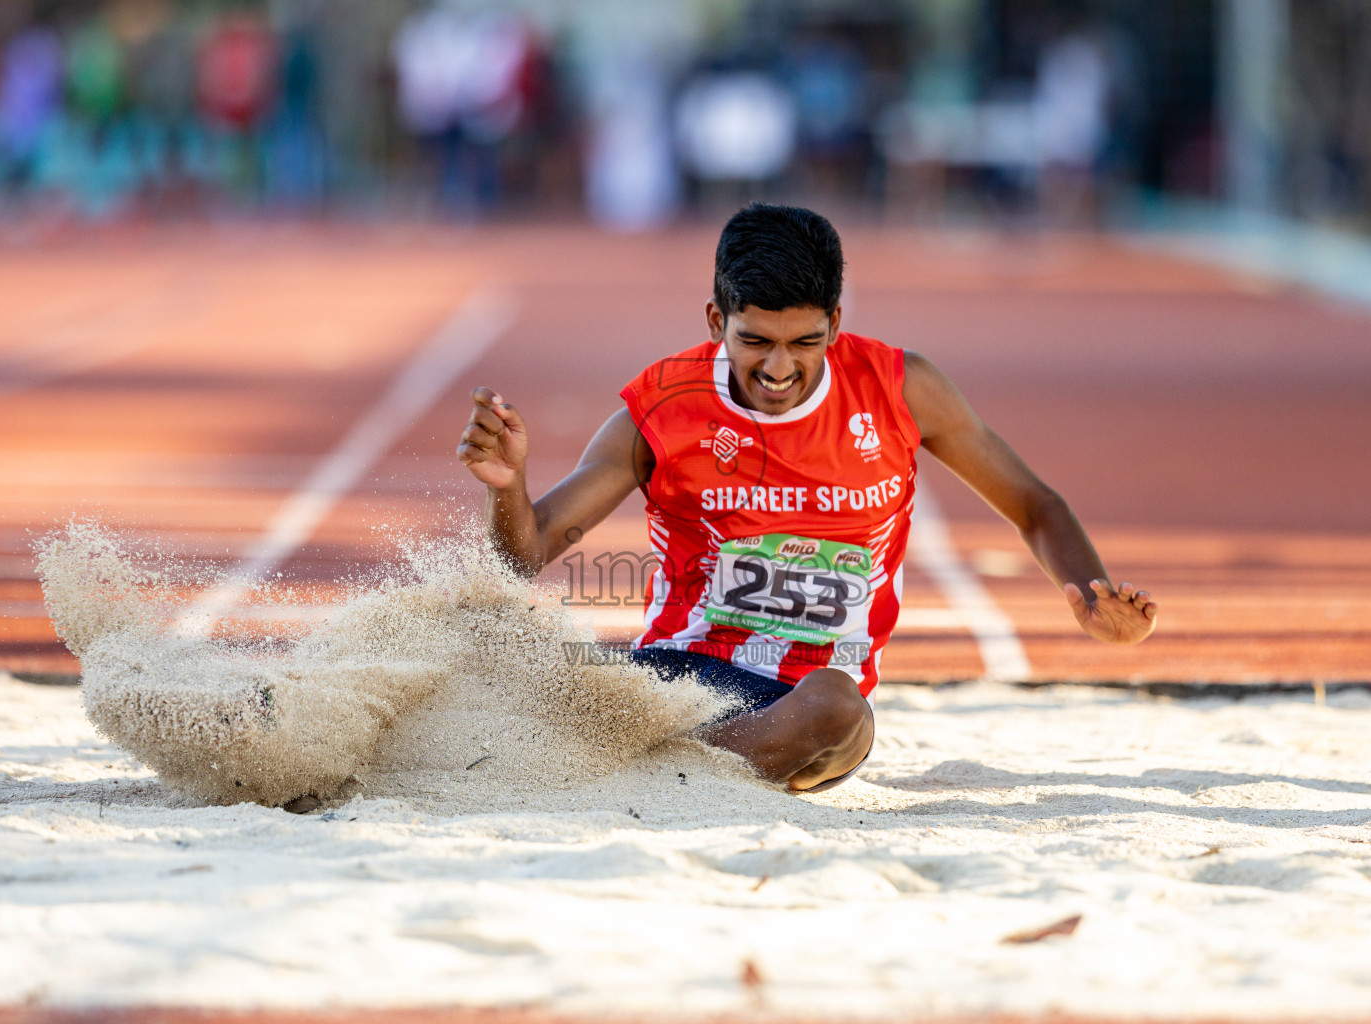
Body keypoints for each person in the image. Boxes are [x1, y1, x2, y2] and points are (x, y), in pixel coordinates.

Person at [457, 203, 1157, 793]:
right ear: (714, 320)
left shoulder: (900, 390)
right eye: (754, 341)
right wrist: (508, 487)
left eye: (806, 343)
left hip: (800, 707)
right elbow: (528, 552)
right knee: (508, 652)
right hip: (676, 680)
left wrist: (1091, 595)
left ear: (836, 322)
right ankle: (669, 762)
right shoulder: (663, 409)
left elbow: (1035, 505)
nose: (780, 368)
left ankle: (654, 768)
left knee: (838, 709)